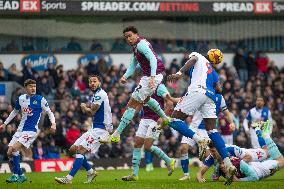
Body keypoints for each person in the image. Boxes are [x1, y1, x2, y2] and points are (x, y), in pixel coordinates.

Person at [161, 49, 237, 184]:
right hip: (210, 97)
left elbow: (192, 60)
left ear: (208, 54)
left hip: (197, 91)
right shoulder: (212, 71)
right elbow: (219, 89)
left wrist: (179, 73)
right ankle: (228, 164)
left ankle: (199, 140)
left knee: (174, 120)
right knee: (213, 131)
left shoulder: (199, 56)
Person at [109, 26, 169, 142]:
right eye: (126, 37)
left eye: (130, 36)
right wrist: (125, 76)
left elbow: (153, 59)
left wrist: (152, 77)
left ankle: (116, 134)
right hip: (150, 76)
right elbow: (133, 65)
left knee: (132, 104)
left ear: (136, 34)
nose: (128, 39)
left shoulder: (141, 45)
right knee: (146, 99)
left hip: (152, 76)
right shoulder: (136, 47)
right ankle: (165, 118)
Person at [55, 75, 112, 184]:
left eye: (95, 81)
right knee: (72, 149)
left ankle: (69, 178)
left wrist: (84, 107)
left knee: (80, 150)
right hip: (94, 128)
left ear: (99, 82)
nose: (92, 83)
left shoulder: (100, 94)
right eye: (90, 82)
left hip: (101, 130)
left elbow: (91, 112)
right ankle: (91, 172)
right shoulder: (95, 94)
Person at [0, 79, 56, 183]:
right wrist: (5, 123)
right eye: (30, 86)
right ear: (26, 88)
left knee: (14, 148)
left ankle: (15, 175)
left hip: (31, 130)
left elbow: (50, 112)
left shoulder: (41, 99)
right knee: (9, 152)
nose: (33, 88)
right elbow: (14, 112)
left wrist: (53, 123)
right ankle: (21, 175)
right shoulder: (21, 98)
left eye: (34, 86)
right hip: (20, 129)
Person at [121, 84, 179, 181]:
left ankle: (169, 160)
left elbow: (169, 103)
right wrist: (130, 115)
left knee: (147, 147)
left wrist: (162, 117)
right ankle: (134, 174)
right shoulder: (143, 86)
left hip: (156, 120)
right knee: (137, 144)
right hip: (145, 119)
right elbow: (140, 104)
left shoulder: (159, 87)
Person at [179, 94, 236, 180]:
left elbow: (226, 112)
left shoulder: (220, 98)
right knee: (183, 148)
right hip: (193, 127)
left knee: (210, 155)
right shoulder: (202, 93)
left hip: (206, 129)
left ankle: (218, 172)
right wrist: (172, 99)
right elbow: (184, 99)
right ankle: (186, 175)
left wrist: (231, 122)